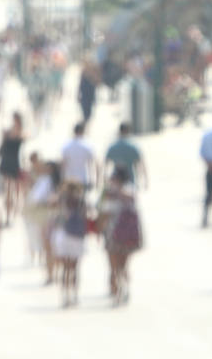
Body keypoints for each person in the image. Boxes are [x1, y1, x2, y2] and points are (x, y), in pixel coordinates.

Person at [97, 170, 143, 306]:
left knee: (117, 266)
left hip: (114, 235)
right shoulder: (127, 192)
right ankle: (121, 290)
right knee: (121, 266)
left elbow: (103, 214)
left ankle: (119, 291)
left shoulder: (112, 194)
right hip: (126, 236)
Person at [51, 180, 88, 308]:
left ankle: (65, 295)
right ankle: (74, 295)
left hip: (64, 235)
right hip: (77, 236)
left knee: (65, 268)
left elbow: (55, 217)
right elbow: (86, 216)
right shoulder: (81, 201)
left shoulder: (62, 200)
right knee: (75, 268)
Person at [0, 112, 26, 226]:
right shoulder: (8, 132)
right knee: (6, 191)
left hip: (14, 163)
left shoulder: (21, 133)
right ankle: (7, 214)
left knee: (12, 190)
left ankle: (11, 214)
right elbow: (1, 147)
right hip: (6, 162)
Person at [103, 122, 146, 189]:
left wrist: (104, 179)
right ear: (129, 131)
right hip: (130, 179)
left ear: (119, 131)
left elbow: (105, 164)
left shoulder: (113, 146)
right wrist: (145, 180)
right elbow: (141, 165)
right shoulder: (133, 147)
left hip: (116, 180)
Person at [60, 123, 97, 189]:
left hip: (69, 179)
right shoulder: (87, 146)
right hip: (82, 178)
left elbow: (63, 164)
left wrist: (62, 178)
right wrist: (92, 179)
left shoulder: (66, 146)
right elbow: (91, 164)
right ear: (83, 131)